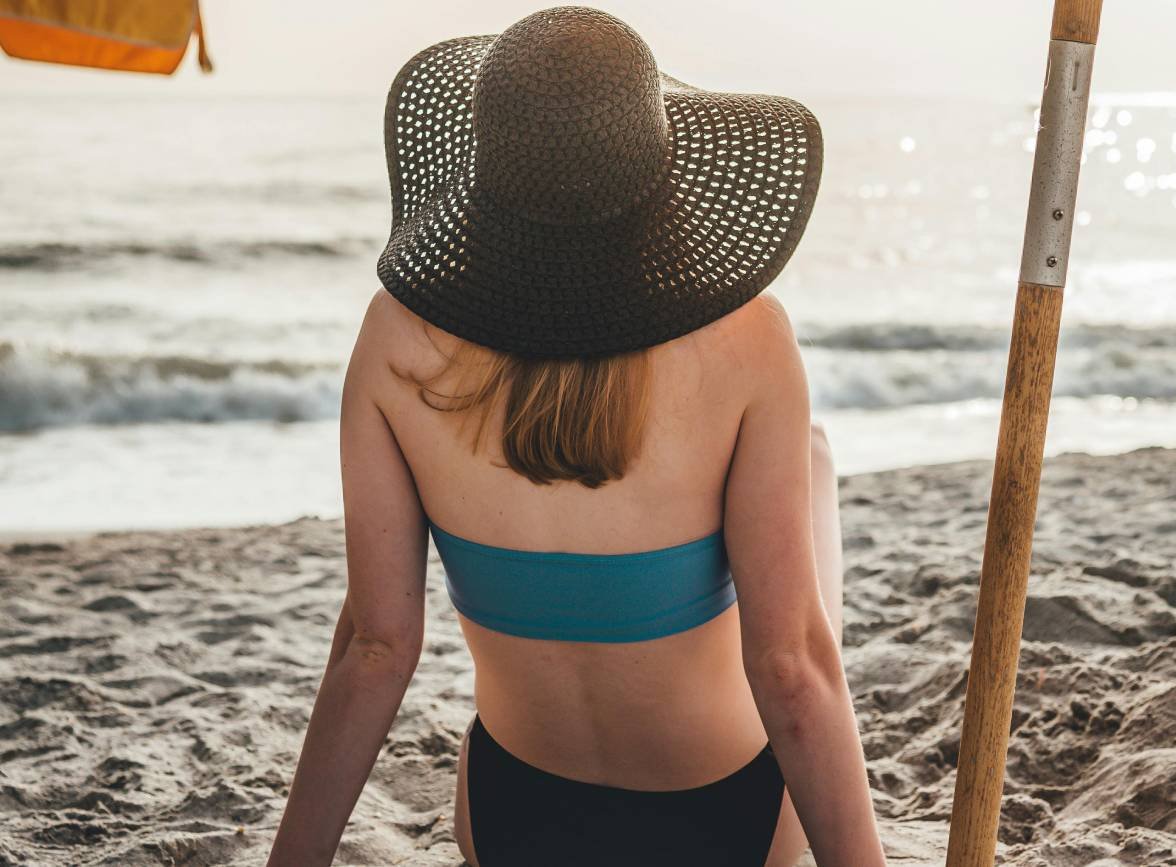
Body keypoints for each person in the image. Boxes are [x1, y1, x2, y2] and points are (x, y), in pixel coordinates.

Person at [267, 6, 887, 866]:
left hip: (515, 818)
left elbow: (376, 647)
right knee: (811, 461)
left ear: (485, 165)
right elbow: (788, 668)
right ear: (657, 169)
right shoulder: (748, 342)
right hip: (729, 822)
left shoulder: (395, 340)